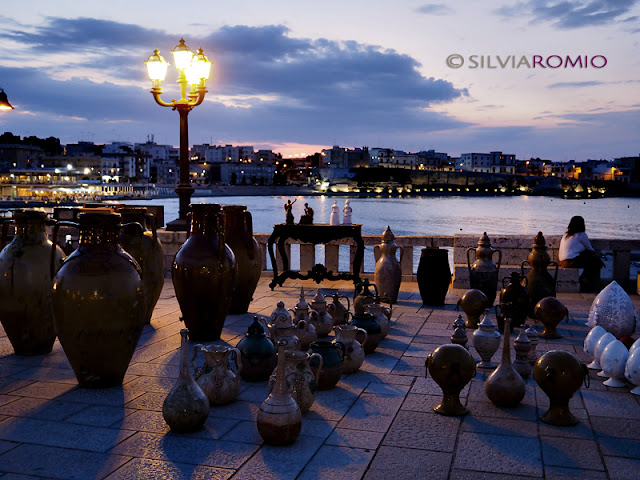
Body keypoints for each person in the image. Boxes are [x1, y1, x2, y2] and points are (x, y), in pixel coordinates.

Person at [558, 216, 604, 292]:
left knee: (591, 261)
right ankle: (594, 285)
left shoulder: (566, 234)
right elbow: (591, 250)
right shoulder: (581, 235)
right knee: (595, 263)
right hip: (570, 262)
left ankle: (584, 280)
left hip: (563, 262)